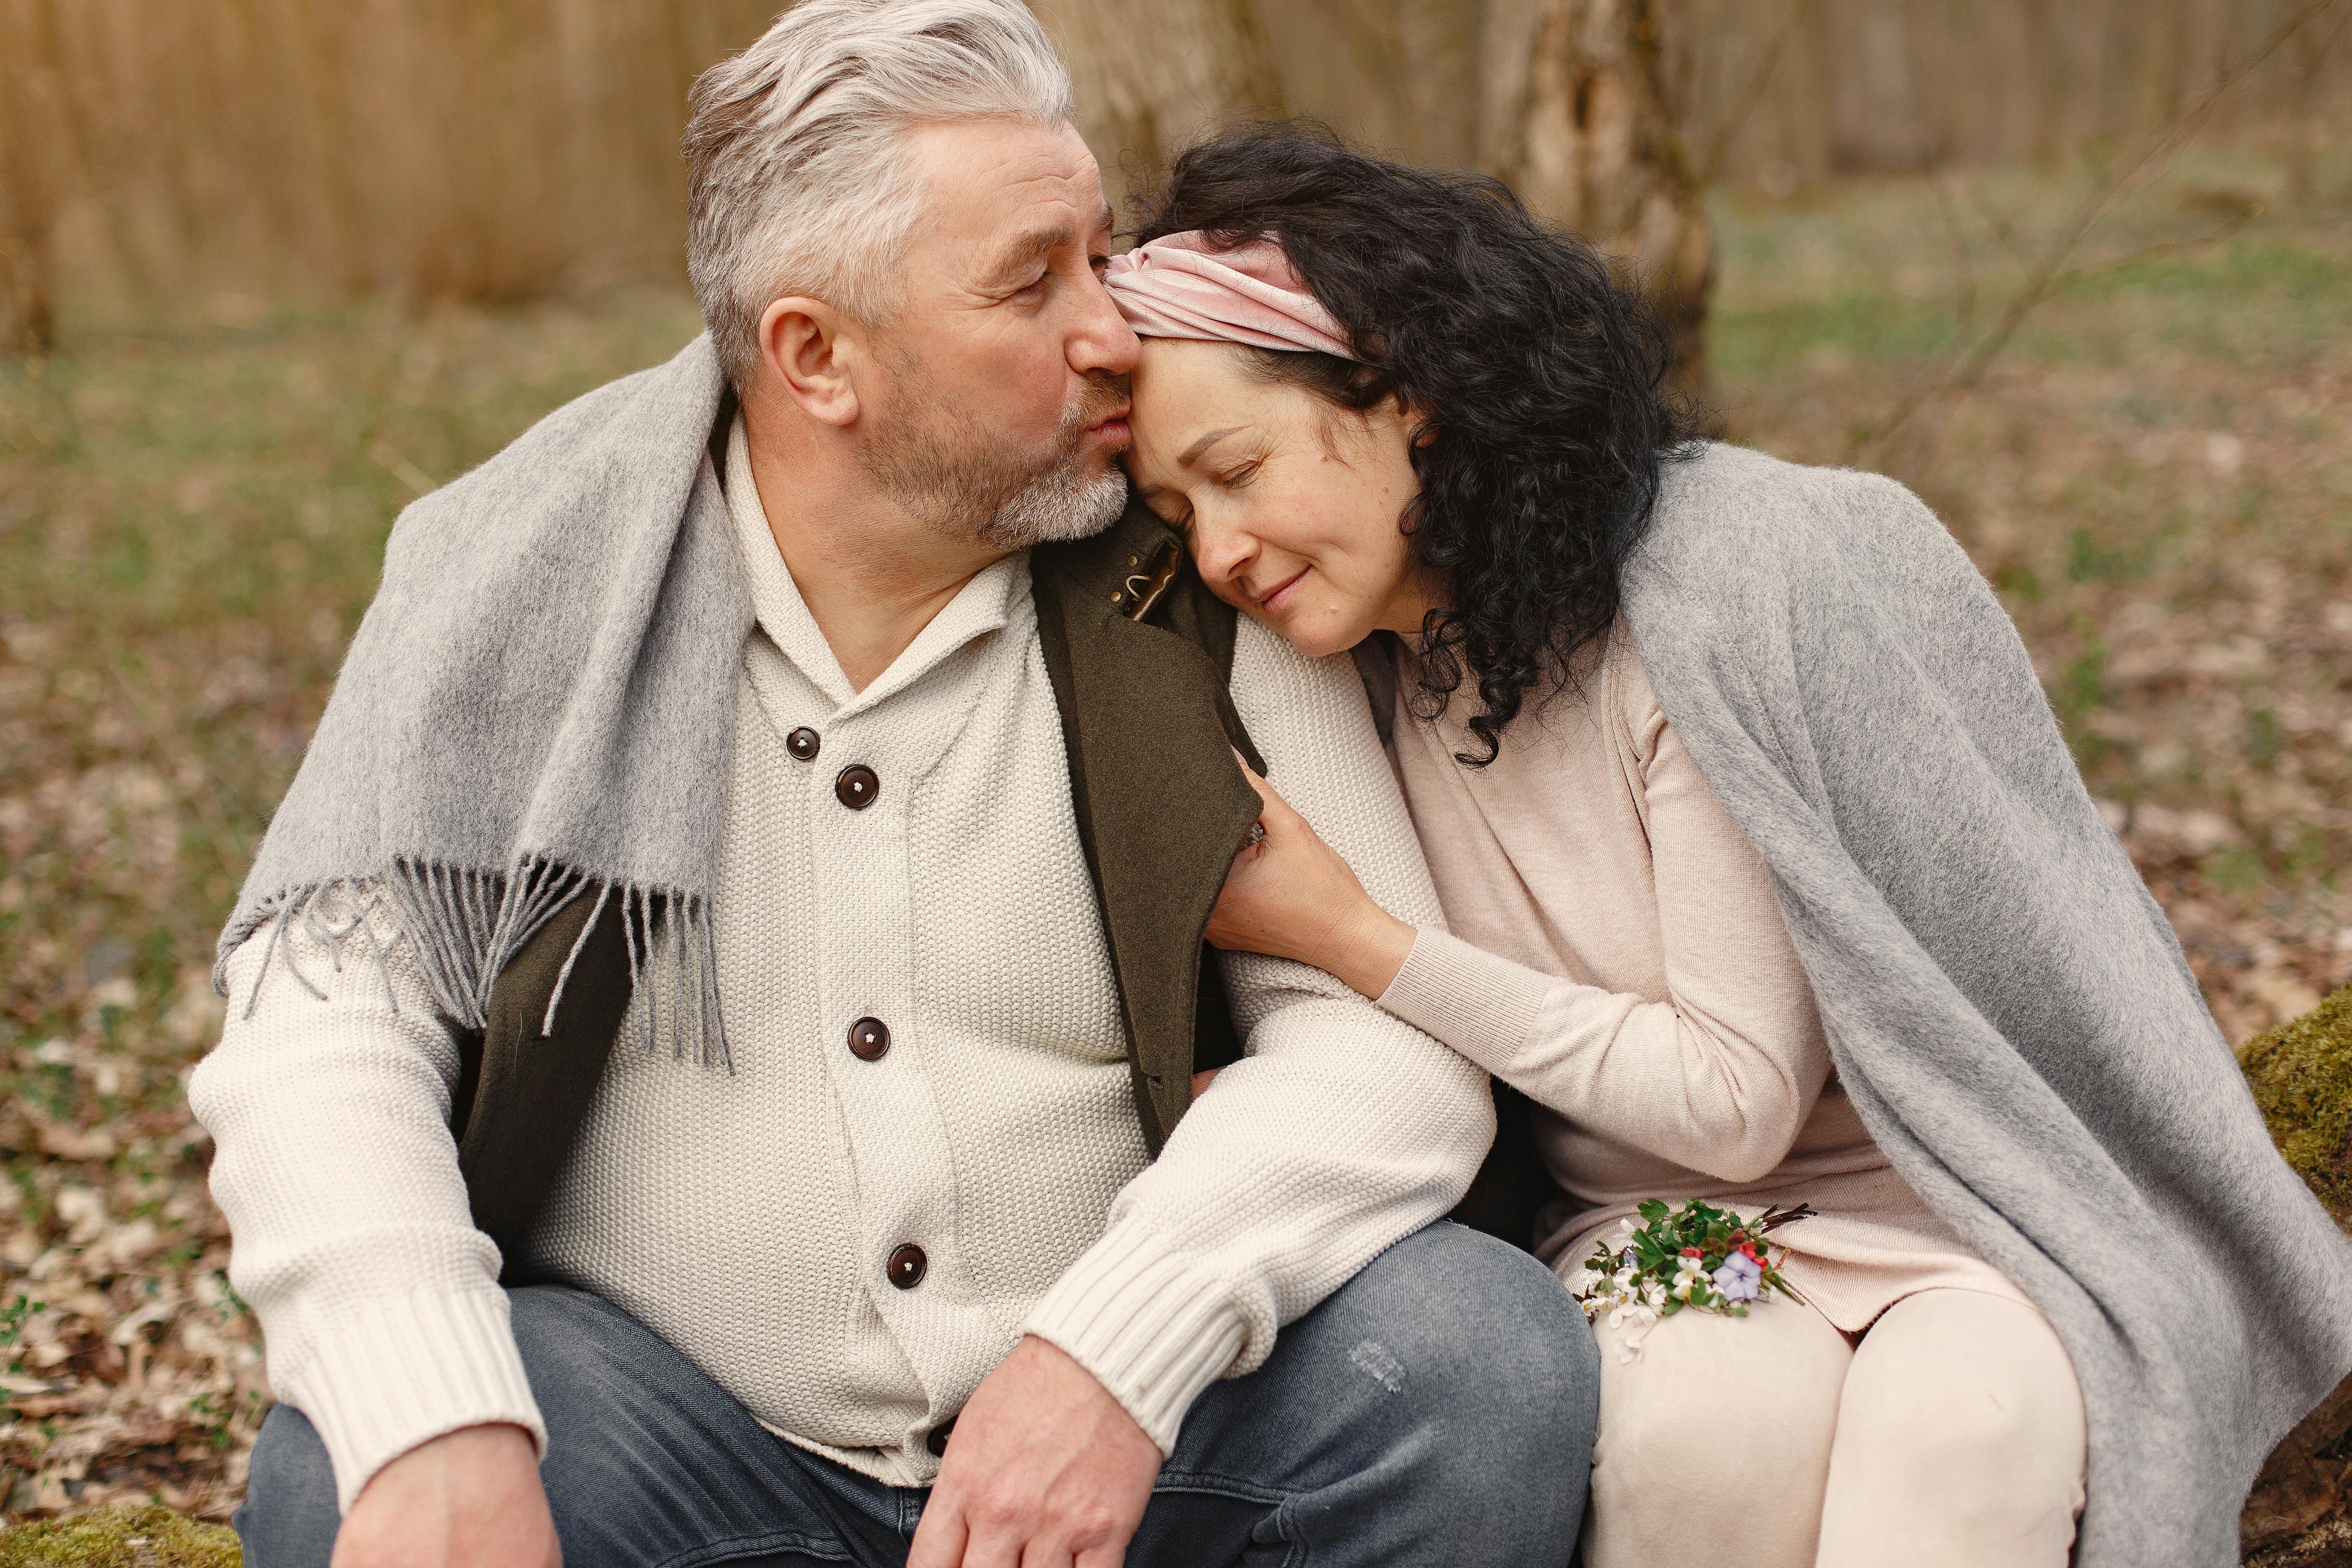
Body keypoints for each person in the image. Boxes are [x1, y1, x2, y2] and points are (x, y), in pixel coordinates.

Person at [192, 13, 1599, 1568]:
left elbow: (1386, 1051)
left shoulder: (1193, 568)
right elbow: (318, 1030)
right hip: (679, 1442)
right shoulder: (514, 578)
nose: (1116, 334)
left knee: (1476, 1363)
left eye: (1100, 253)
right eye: (1031, 280)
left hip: (1140, 1437)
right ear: (816, 356)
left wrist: (1114, 1355)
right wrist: (434, 1404)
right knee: (348, 1476)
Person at [1110, 127, 2352, 1568]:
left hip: (1946, 1199)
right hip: (1656, 1231)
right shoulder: (1335, 671)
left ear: (1408, 397)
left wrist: (1354, 938)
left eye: (1238, 470)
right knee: (1700, 1436)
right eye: (1176, 513)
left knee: (1969, 1436)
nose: (1217, 551)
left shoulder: (1699, 598)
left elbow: (1736, 1096)